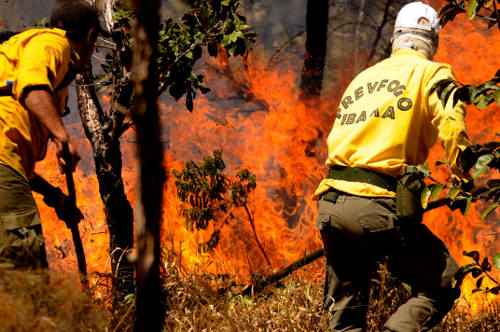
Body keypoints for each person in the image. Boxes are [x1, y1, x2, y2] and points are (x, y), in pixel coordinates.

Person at [314, 2, 471, 331]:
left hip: (330, 204)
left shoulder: (364, 78)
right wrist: (464, 175)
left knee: (346, 313)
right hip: (376, 205)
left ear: (395, 38)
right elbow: (453, 129)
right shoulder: (433, 73)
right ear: (433, 41)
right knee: (443, 282)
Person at [0, 0, 102, 268]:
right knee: (24, 269)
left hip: (7, 163)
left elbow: (12, 161)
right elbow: (32, 86)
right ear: (91, 35)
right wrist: (61, 135)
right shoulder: (54, 43)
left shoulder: (27, 55)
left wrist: (54, 196)